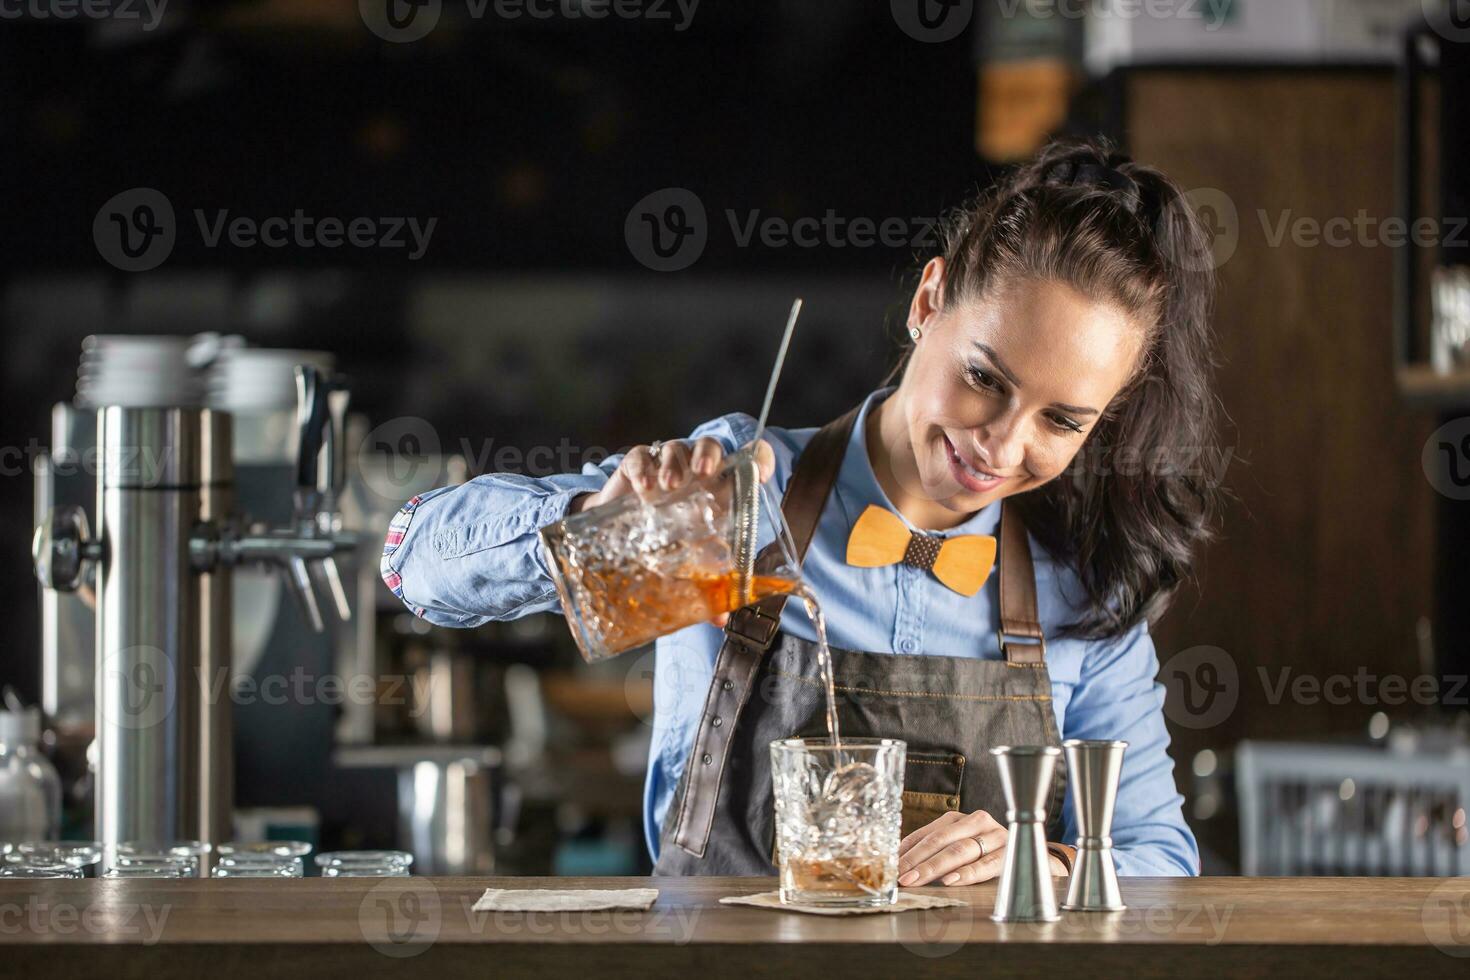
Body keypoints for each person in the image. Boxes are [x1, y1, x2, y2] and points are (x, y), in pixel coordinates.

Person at [380, 138, 1220, 883]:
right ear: (928, 302)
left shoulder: (1079, 586)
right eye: (984, 378)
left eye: (1061, 421)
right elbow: (413, 561)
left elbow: (1160, 858)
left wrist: (1052, 857)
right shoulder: (742, 495)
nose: (1001, 445)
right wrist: (599, 527)